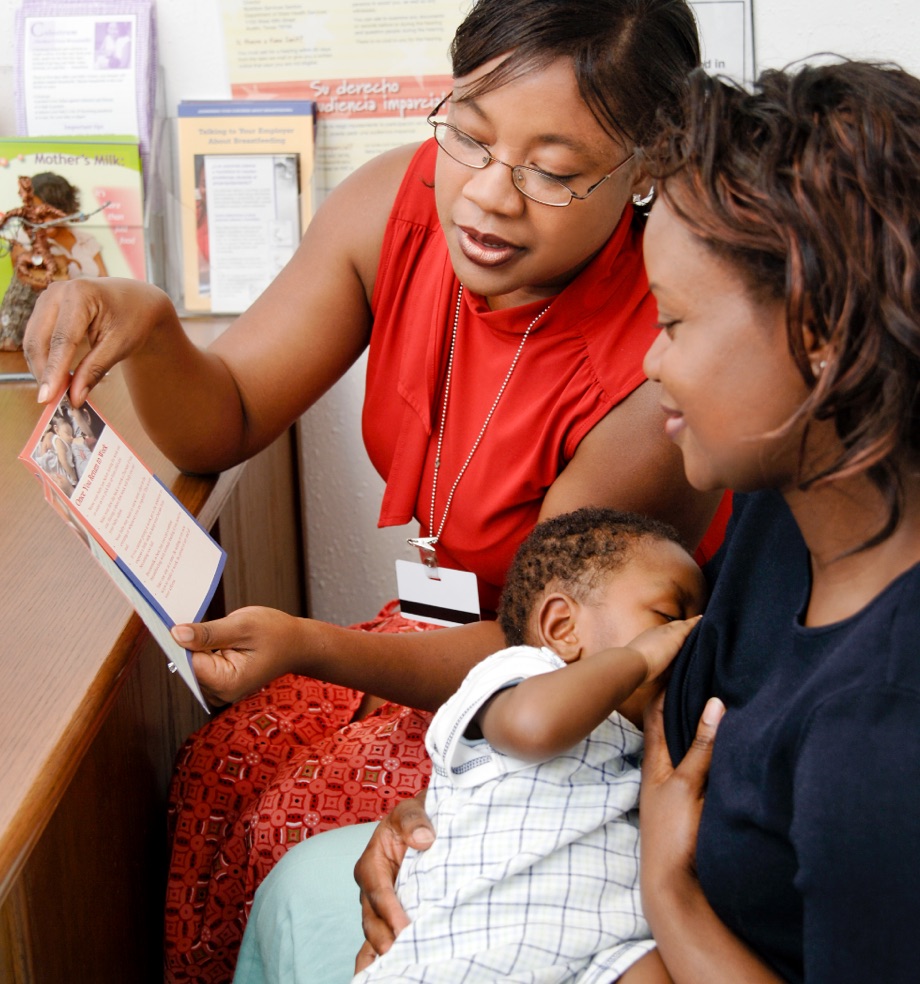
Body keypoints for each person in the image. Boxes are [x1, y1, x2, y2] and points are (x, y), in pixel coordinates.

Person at [23, 1, 728, 978]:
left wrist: (307, 646)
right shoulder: (388, 208)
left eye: (551, 171)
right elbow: (223, 416)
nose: (485, 195)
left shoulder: (656, 370)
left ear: (644, 167)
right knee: (214, 775)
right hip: (437, 642)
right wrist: (147, 324)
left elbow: (546, 658)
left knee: (283, 825)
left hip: (572, 709)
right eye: (468, 136)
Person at [341, 58, 920, 983]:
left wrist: (670, 897)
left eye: (676, 324)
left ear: (818, 337)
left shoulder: (879, 737)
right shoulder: (789, 507)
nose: (649, 365)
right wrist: (457, 828)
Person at [350, 507, 705, 984]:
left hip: (596, 953)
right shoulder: (522, 675)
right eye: (668, 616)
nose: (688, 636)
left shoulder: (646, 739)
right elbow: (533, 724)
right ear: (562, 628)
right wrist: (639, 658)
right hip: (456, 957)